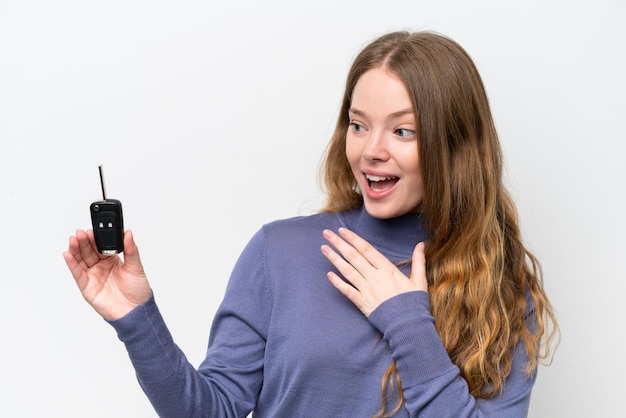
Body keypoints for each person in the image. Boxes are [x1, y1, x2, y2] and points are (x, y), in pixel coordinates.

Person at [64, 31, 558, 417]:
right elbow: (210, 411)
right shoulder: (279, 253)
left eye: (403, 130)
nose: (370, 150)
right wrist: (136, 320)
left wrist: (407, 321)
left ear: (456, 146)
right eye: (358, 124)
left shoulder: (503, 290)